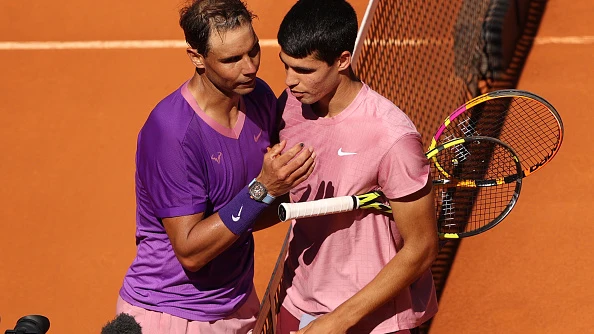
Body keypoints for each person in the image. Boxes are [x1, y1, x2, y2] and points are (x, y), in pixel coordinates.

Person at [116, 0, 315, 333]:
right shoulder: (171, 134)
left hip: (237, 302)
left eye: (253, 51)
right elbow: (191, 251)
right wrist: (264, 189)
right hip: (174, 314)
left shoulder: (258, 98)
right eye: (232, 60)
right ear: (197, 57)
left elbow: (251, 211)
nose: (249, 67)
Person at [275, 0, 439, 333]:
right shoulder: (289, 107)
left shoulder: (391, 136)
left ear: (343, 61)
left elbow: (421, 247)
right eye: (286, 66)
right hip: (297, 303)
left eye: (305, 70)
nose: (291, 81)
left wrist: (337, 321)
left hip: (369, 320)